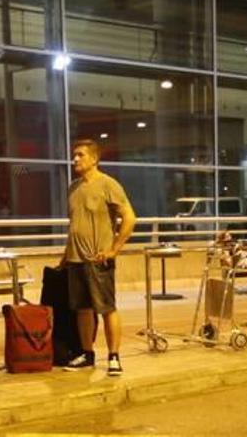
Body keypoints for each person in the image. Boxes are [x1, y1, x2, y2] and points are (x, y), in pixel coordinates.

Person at [60, 139, 136, 375]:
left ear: (94, 159)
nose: (75, 159)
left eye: (80, 155)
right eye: (74, 155)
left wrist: (113, 250)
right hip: (75, 260)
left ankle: (114, 357)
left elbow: (130, 219)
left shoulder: (108, 185)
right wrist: (65, 257)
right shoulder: (73, 188)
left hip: (98, 258)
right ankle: (87, 353)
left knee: (106, 308)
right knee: (82, 309)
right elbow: (74, 226)